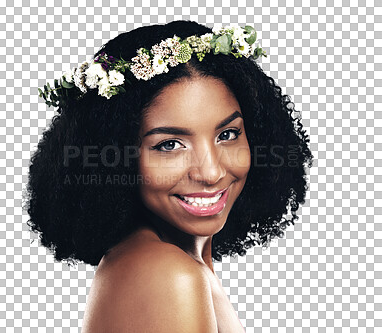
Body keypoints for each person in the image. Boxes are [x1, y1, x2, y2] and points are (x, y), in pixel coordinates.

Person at [23, 20, 313, 332]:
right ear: (117, 157)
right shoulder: (168, 275)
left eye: (227, 135)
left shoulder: (168, 264)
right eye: (169, 145)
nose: (212, 172)